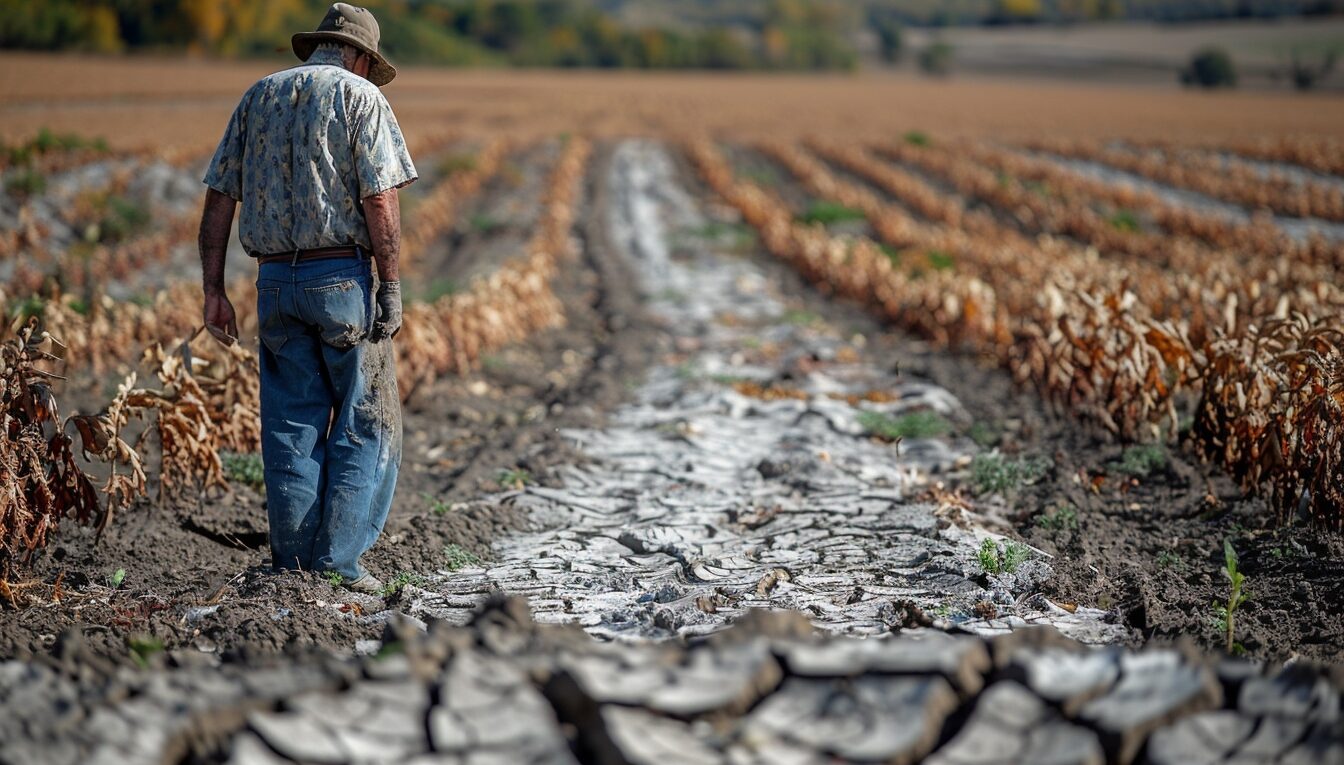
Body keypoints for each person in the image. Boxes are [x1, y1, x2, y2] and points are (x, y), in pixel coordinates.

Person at [197, 3, 416, 594]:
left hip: (274, 285)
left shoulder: (258, 95)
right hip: (340, 278)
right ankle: (338, 565)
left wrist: (214, 290)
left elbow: (220, 197)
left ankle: (291, 563)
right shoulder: (361, 98)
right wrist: (390, 285)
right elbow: (380, 201)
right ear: (362, 57)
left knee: (290, 424)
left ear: (319, 44)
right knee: (364, 421)